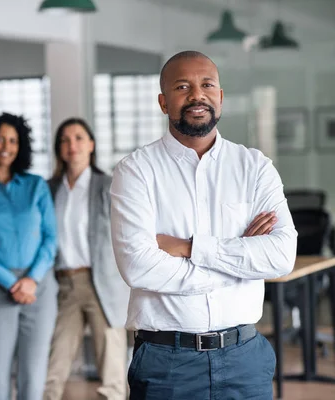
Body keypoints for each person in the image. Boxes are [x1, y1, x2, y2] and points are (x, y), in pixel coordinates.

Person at [109, 50, 298, 400]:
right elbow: (139, 267)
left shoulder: (254, 168)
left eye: (207, 84)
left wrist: (191, 247)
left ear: (221, 97)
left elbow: (282, 256)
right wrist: (241, 265)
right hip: (167, 364)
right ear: (164, 102)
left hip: (245, 358)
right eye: (183, 86)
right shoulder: (135, 172)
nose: (197, 95)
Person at [0, 112, 58, 400]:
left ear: (22, 146)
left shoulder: (36, 186)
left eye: (13, 140)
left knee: (34, 374)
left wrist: (30, 280)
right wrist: (10, 283)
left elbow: (50, 239)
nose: (6, 146)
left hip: (39, 288)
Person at [44, 118, 129, 400]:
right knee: (53, 365)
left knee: (112, 369)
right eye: (65, 140)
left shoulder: (108, 184)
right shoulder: (50, 189)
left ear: (91, 144)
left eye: (79, 138)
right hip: (63, 284)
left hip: (101, 282)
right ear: (59, 148)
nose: (72, 145)